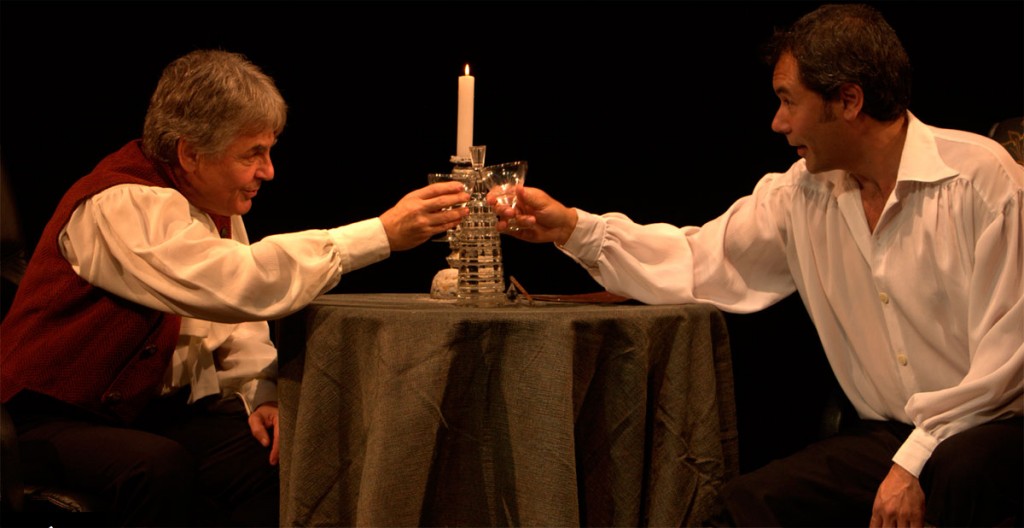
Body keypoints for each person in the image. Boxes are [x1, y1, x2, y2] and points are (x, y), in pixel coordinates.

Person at [489, 4, 1023, 527]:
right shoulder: (802, 194)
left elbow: (1009, 358)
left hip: (990, 425)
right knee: (746, 506)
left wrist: (916, 459)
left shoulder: (981, 182)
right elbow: (700, 259)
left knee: (962, 476)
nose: (778, 122)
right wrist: (572, 228)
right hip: (889, 437)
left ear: (848, 100)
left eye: (788, 101)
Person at [0, 49, 468, 526]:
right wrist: (381, 234)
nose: (268, 171)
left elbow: (237, 321)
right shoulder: (119, 204)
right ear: (190, 153)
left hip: (146, 415)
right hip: (45, 420)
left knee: (283, 454)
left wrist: (260, 392)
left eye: (269, 151)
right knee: (157, 468)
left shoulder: (213, 203)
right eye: (252, 154)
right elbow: (236, 283)